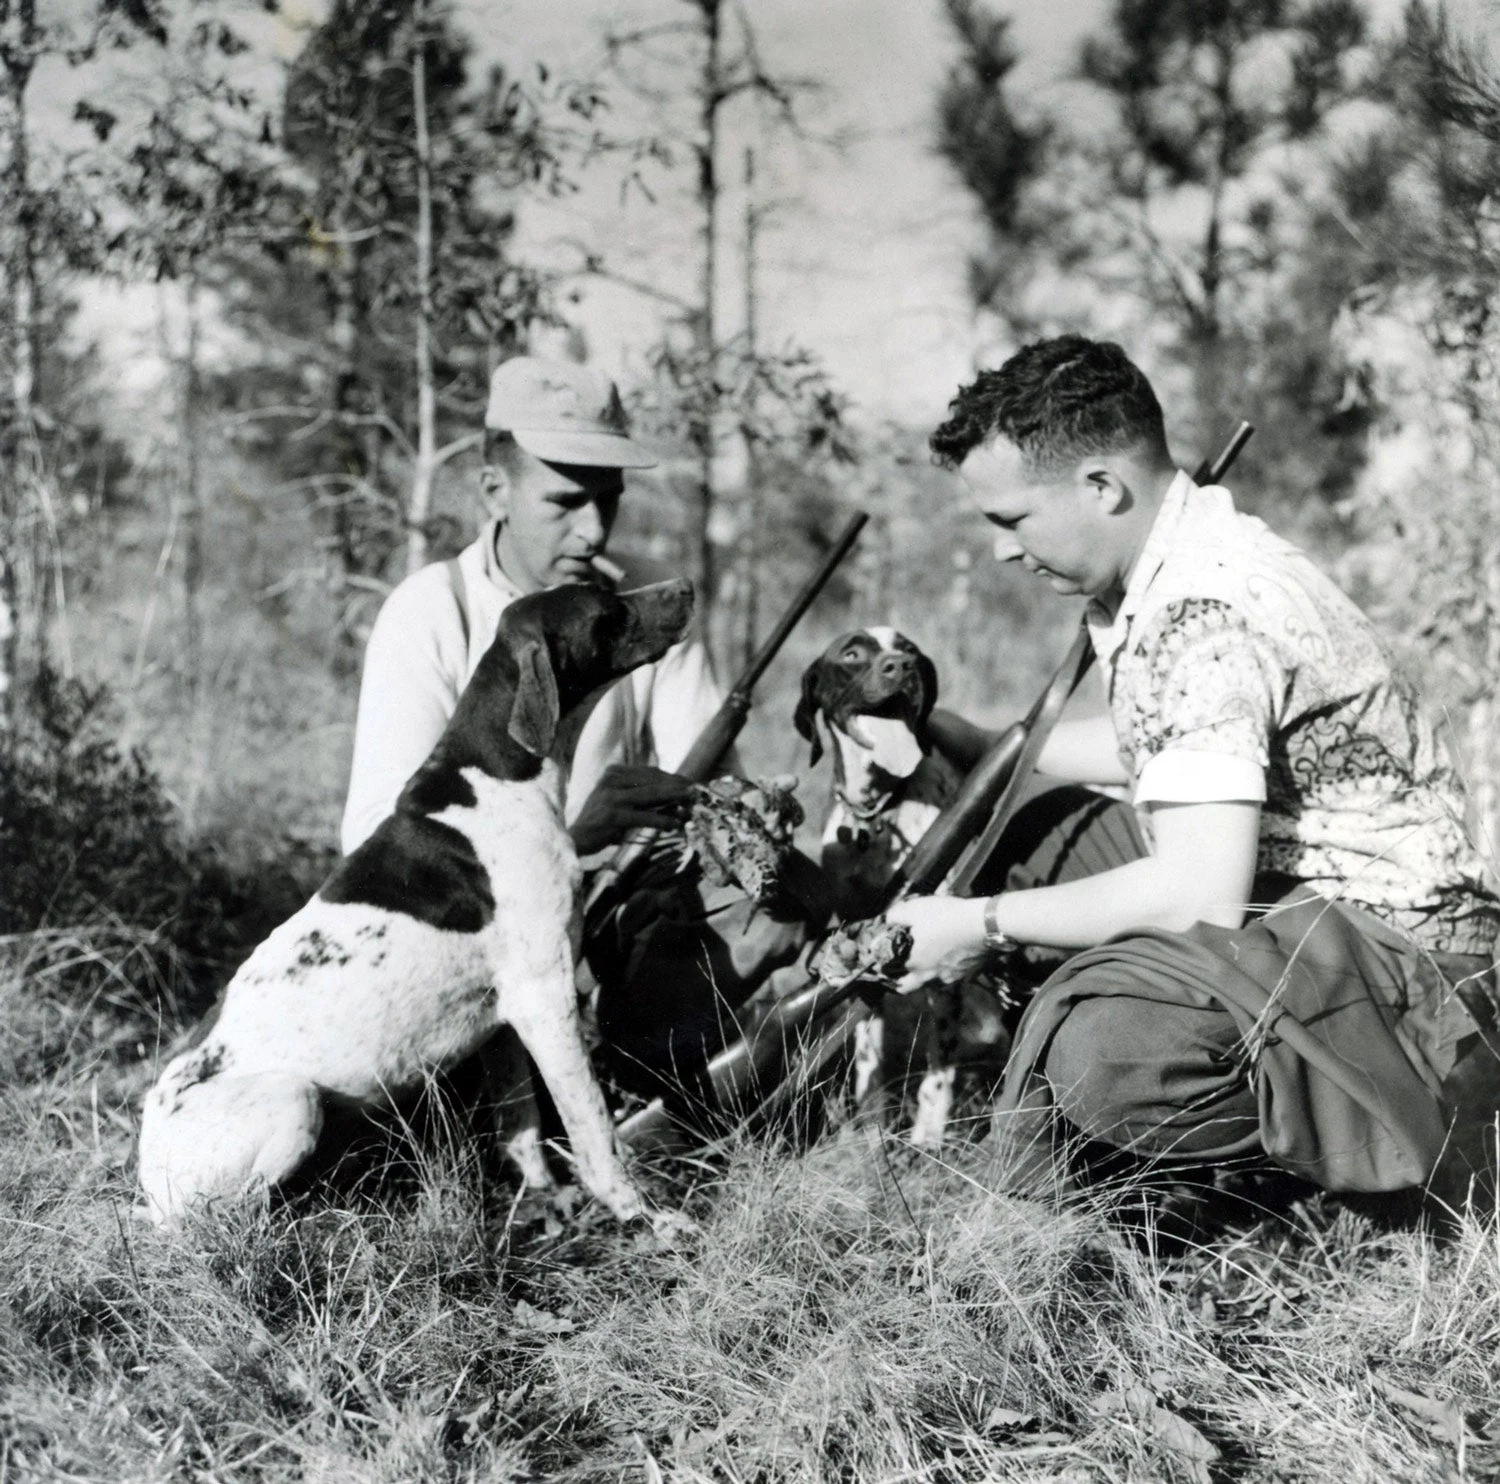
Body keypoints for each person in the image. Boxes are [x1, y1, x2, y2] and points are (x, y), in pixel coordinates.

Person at [887, 335, 1500, 1207]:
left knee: (1105, 1053)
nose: (1000, 552)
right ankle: (1211, 1101)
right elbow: (1167, 752)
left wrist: (975, 924)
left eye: (1011, 520)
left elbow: (1195, 894)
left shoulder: (1201, 606)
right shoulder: (1174, 563)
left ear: (1102, 486)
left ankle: (1344, 1163)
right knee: (1030, 831)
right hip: (1292, 898)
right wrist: (949, 730)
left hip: (1412, 965)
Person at [342, 355, 815, 1107]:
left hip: (613, 918)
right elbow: (376, 846)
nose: (593, 529)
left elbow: (715, 780)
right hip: (471, 941)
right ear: (494, 490)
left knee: (770, 898)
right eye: (564, 502)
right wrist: (570, 837)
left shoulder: (641, 610)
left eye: (610, 500)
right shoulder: (433, 611)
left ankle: (652, 1083)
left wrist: (737, 815)